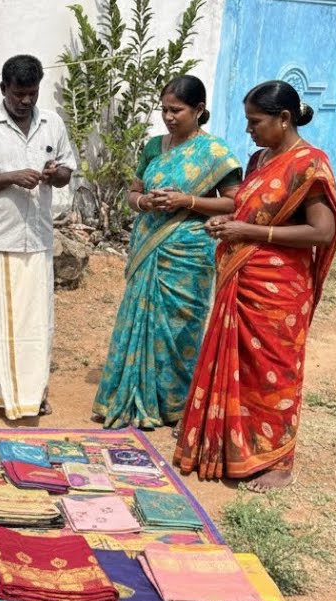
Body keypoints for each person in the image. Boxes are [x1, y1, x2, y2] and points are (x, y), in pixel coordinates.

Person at [174, 80, 336, 492]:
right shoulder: (258, 159)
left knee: (272, 371)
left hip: (279, 288)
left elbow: (321, 232)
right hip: (242, 277)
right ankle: (229, 445)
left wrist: (249, 232)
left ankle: (277, 461)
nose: (248, 129)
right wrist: (226, 222)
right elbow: (248, 209)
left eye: (255, 121)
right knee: (241, 366)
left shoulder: (309, 165)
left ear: (283, 119)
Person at [92, 76, 242, 429]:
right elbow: (132, 193)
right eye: (164, 110)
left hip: (188, 251)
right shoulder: (153, 147)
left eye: (177, 110)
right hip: (149, 245)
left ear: (198, 110)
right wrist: (144, 201)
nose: (169, 117)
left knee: (178, 328)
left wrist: (186, 200)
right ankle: (127, 396)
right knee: (137, 320)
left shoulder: (216, 153)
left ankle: (173, 403)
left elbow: (234, 202)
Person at [0, 54, 76, 420]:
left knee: (36, 323)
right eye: (18, 93)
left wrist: (55, 174)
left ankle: (32, 392)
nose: (25, 100)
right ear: (3, 89)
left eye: (32, 93)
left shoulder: (52, 124)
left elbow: (66, 173)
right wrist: (11, 177)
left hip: (36, 239)